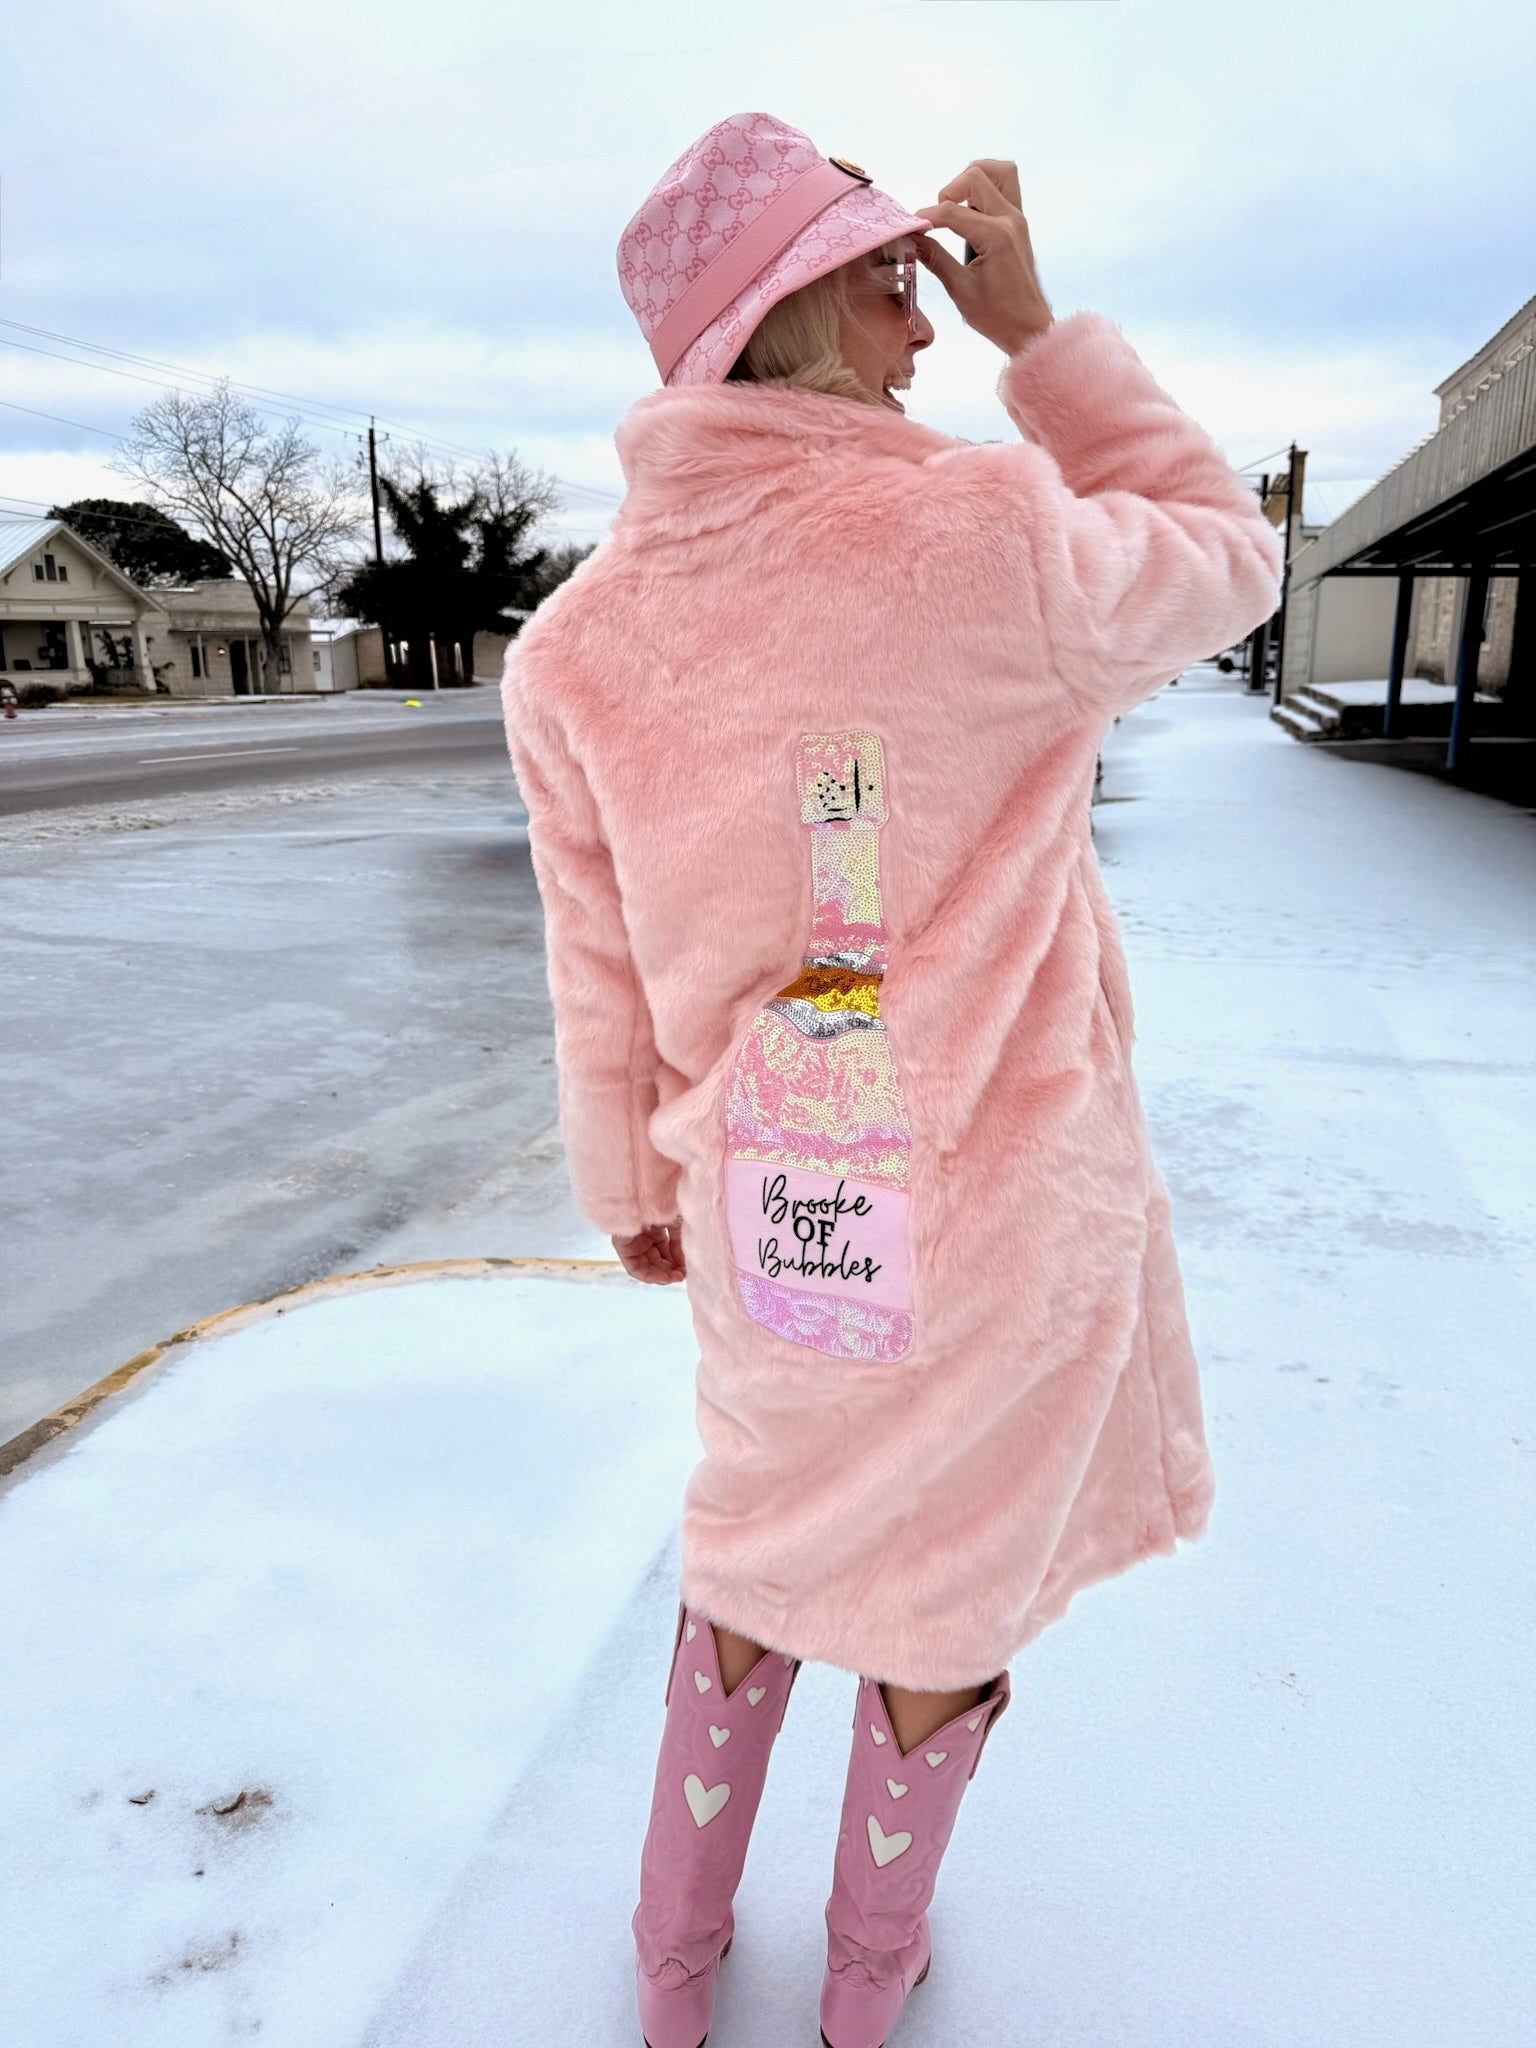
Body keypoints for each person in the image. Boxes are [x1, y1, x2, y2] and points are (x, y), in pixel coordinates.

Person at [501, 111, 1283, 2048]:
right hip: (998, 1195)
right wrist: (1044, 337)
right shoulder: (989, 540)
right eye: (889, 284)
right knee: (939, 1592)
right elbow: (1229, 557)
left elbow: (598, 968)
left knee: (761, 1540)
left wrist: (630, 1188)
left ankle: (673, 1965)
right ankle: (866, 1987)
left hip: (774, 1186)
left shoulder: (576, 646)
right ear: (793, 314)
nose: (925, 325)